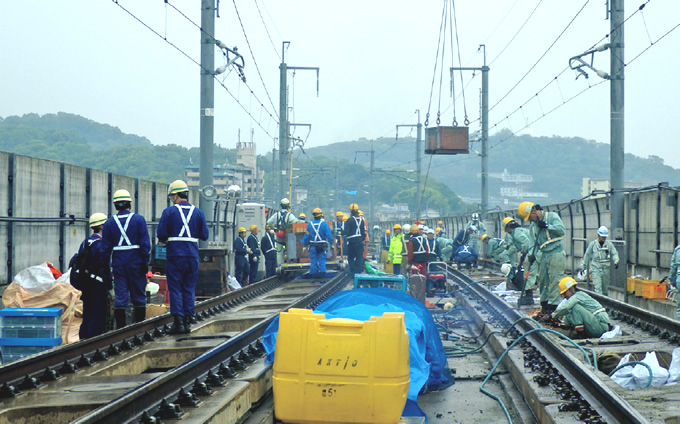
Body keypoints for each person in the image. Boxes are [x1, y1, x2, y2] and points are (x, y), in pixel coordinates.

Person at [156, 180, 209, 334]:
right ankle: (187, 321)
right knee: (189, 287)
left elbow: (162, 234)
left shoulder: (169, 212)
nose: (172, 198)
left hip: (175, 255)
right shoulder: (198, 212)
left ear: (177, 195)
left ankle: (178, 323)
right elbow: (204, 235)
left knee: (176, 288)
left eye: (173, 196)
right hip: (192, 254)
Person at [101, 189, 151, 329]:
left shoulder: (110, 223)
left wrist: (106, 268)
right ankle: (140, 327)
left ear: (116, 205)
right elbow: (145, 245)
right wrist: (145, 263)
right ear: (130, 203)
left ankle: (121, 330)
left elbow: (105, 249)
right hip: (137, 263)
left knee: (121, 298)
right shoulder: (139, 219)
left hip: (119, 265)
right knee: (139, 297)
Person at [518, 202, 566, 315]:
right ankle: (544, 305)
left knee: (555, 280)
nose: (530, 219)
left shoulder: (552, 217)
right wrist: (531, 255)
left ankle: (553, 307)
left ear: (534, 211)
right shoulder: (533, 227)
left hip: (556, 253)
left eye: (530, 217)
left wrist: (547, 226)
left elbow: (561, 230)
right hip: (543, 254)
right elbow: (532, 242)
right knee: (543, 281)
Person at [71, 213, 112, 340]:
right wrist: (109, 284)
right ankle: (92, 346)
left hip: (86, 284)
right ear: (101, 226)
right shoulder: (100, 244)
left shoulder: (86, 242)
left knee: (87, 314)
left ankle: (82, 342)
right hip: (98, 286)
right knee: (97, 316)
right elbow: (103, 266)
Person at [578, 226, 620, 295]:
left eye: (605, 237)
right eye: (602, 236)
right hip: (596, 270)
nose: (603, 238)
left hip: (606, 270)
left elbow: (614, 253)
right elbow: (587, 255)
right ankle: (599, 304)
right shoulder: (593, 244)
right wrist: (583, 266)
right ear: (598, 235)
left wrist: (616, 261)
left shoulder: (609, 245)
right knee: (598, 289)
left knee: (605, 290)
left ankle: (605, 304)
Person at [503, 217, 535, 306]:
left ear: (508, 227)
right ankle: (528, 295)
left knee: (528, 275)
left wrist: (524, 254)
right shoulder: (520, 230)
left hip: (532, 254)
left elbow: (526, 242)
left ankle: (529, 297)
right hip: (533, 253)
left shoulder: (516, 233)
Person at [266, 198, 299, 265]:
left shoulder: (276, 214)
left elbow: (268, 222)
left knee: (279, 252)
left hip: (278, 236)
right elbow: (296, 222)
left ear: (281, 205)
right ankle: (290, 263)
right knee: (290, 250)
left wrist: (273, 229)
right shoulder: (289, 215)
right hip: (287, 236)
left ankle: (279, 266)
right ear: (288, 206)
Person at [302, 208, 333, 278]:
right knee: (322, 261)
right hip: (322, 246)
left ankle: (313, 277)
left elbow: (306, 236)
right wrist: (332, 244)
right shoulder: (324, 224)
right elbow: (329, 235)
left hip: (313, 246)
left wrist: (305, 245)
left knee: (313, 261)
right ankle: (322, 277)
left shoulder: (309, 225)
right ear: (321, 215)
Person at [343, 203, 367, 274]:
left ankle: (353, 271)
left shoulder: (349, 220)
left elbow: (346, 232)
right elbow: (363, 233)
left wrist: (340, 232)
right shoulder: (361, 220)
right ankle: (358, 272)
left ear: (350, 211)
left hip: (352, 242)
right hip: (359, 242)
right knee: (359, 257)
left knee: (350, 257)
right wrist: (361, 239)